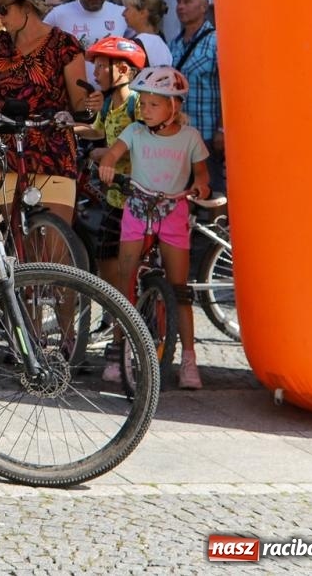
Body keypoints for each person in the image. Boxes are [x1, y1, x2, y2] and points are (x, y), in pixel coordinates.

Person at [96, 66, 211, 389]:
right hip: (136, 208)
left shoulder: (190, 138)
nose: (144, 109)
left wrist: (201, 185)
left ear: (173, 107)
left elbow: (201, 173)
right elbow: (113, 153)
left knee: (180, 290)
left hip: (174, 210)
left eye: (152, 104)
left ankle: (189, 359)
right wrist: (107, 164)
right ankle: (119, 352)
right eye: (143, 103)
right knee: (125, 283)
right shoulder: (134, 132)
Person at [0, 0, 91, 226]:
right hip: (5, 151)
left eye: (3, 8)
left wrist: (93, 104)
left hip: (54, 149)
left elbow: (79, 105)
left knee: (55, 247)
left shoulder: (65, 45)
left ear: (27, 6)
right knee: (13, 242)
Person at [79, 34, 148, 296]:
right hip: (114, 195)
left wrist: (104, 153)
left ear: (121, 69)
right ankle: (115, 310)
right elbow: (96, 131)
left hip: (136, 195)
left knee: (131, 263)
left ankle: (131, 313)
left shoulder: (137, 103)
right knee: (105, 255)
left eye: (100, 66)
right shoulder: (108, 104)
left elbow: (143, 144)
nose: (94, 72)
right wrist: (67, 127)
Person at [168, 0, 223, 191]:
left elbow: (230, 89)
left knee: (211, 189)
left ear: (204, 6)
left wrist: (223, 129)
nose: (180, 6)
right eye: (179, 1)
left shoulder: (217, 41)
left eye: (187, 1)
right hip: (179, 135)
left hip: (207, 133)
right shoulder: (174, 43)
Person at [44, 0, 128, 85]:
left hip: (111, 97)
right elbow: (37, 43)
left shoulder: (121, 13)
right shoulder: (59, 14)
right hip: (71, 95)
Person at [122, 0, 173, 67]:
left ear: (143, 13)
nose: (123, 14)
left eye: (127, 9)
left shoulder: (136, 46)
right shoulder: (162, 43)